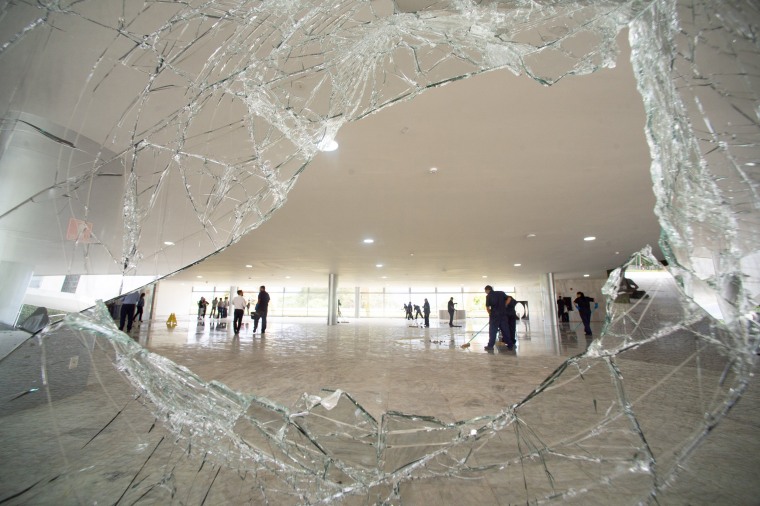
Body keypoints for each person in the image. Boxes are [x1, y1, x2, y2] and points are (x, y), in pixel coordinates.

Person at [485, 285, 512, 350]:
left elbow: (488, 307)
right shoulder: (501, 293)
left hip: (494, 316)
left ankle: (490, 346)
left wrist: (490, 314)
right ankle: (510, 345)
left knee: (493, 331)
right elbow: (509, 298)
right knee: (505, 330)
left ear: (487, 290)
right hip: (503, 315)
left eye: (485, 291)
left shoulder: (488, 296)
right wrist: (505, 305)